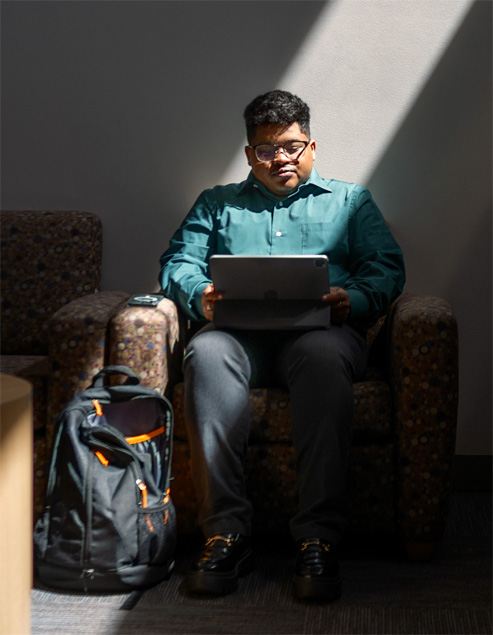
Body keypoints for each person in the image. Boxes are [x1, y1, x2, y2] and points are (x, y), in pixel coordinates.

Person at [159, 90, 405, 601]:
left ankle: (318, 538)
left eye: (292, 146)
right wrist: (199, 293)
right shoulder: (217, 203)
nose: (281, 159)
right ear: (251, 154)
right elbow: (178, 262)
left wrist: (353, 300)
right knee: (205, 354)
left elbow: (386, 268)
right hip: (236, 338)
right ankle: (226, 534)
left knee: (321, 358)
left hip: (322, 335)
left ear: (311, 146)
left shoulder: (350, 201)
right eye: (268, 150)